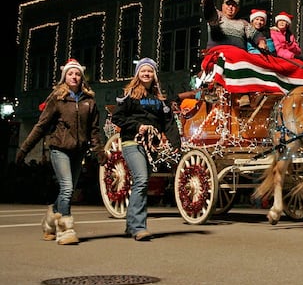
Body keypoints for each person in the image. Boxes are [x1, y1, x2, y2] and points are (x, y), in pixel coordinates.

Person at [15, 59, 105, 245]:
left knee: (68, 189)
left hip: (79, 150)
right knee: (67, 188)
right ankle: (65, 230)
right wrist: (24, 149)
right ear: (65, 77)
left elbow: (94, 130)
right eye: (71, 74)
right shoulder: (57, 98)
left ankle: (49, 221)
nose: (74, 76)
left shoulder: (90, 101)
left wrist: (99, 152)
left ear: (82, 77)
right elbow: (41, 126)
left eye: (77, 74)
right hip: (59, 148)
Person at [111, 58, 182, 241]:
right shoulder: (130, 95)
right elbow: (117, 118)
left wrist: (176, 144)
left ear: (154, 74)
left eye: (150, 71)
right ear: (138, 74)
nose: (146, 74)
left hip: (151, 145)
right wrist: (137, 126)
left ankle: (130, 224)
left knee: (142, 182)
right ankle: (138, 226)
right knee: (141, 179)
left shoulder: (161, 99)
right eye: (143, 71)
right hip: (131, 142)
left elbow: (169, 122)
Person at [200, 0, 268, 53]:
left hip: (238, 58)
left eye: (234, 5)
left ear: (237, 9)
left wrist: (261, 41)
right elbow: (209, 12)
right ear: (223, 6)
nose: (230, 7)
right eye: (228, 4)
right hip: (218, 56)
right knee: (219, 63)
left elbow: (255, 34)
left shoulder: (243, 23)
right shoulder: (217, 16)